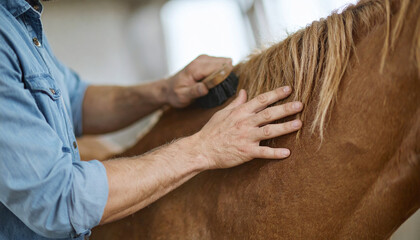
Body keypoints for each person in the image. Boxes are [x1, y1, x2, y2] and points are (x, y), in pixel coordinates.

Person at [0, 0, 303, 239]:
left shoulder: (19, 22)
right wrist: (204, 148)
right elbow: (57, 199)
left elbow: (75, 101)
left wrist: (164, 90)